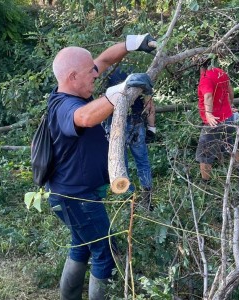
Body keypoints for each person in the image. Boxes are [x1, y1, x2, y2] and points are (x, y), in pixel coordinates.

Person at [46, 34, 155, 300]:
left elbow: (104, 59)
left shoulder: (76, 84)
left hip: (78, 194)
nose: (96, 75)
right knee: (104, 253)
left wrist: (133, 44)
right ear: (72, 77)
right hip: (76, 198)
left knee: (81, 246)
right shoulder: (65, 106)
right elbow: (83, 117)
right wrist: (116, 94)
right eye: (90, 73)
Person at [102, 66, 156, 210]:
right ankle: (147, 199)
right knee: (142, 162)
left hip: (115, 123)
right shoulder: (137, 72)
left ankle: (129, 201)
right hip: (136, 122)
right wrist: (152, 127)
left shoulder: (106, 74)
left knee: (121, 164)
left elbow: (101, 103)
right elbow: (149, 103)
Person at [195, 56, 237, 181]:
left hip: (214, 122)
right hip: (228, 118)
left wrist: (208, 114)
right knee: (231, 146)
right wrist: (230, 105)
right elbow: (230, 89)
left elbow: (208, 96)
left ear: (200, 67)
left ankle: (205, 184)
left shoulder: (205, 78)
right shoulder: (220, 72)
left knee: (204, 153)